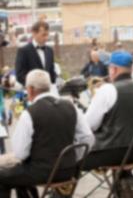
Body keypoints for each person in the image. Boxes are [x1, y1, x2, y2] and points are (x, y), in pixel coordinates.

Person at [0, 70, 94, 198]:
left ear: (31, 89)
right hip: (70, 170)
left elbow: (20, 154)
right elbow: (88, 138)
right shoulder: (71, 107)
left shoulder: (29, 113)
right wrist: (71, 158)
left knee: (5, 174)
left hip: (43, 173)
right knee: (17, 174)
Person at [84, 51, 133, 171]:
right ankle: (124, 183)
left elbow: (89, 125)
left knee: (70, 158)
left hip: (111, 152)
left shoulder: (107, 90)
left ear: (114, 69)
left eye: (109, 68)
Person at [15, 21, 56, 86]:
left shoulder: (49, 51)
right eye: (43, 35)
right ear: (34, 33)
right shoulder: (23, 51)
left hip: (48, 91)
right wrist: (34, 87)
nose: (46, 38)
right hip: (32, 92)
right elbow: (20, 75)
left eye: (47, 35)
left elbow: (52, 73)